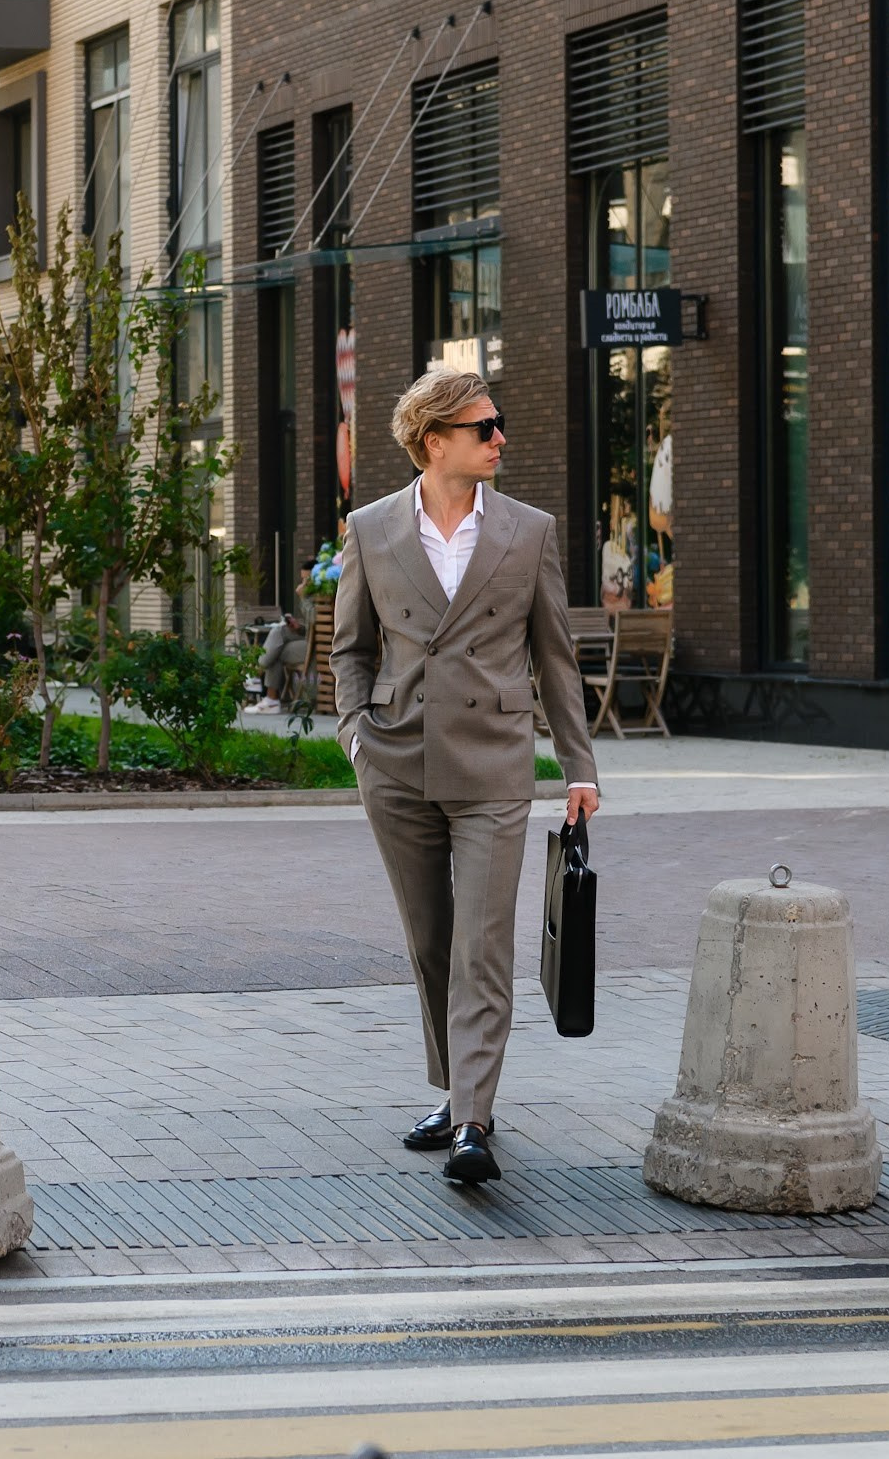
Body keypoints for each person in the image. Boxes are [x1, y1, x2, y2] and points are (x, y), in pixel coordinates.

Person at [329, 369, 599, 1187]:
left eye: (498, 422)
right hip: (397, 759)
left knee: (483, 943)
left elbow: (556, 657)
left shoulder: (528, 530)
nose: (499, 438)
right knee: (431, 939)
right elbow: (351, 649)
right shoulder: (370, 528)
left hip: (493, 761)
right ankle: (456, 1094)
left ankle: (473, 1121)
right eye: (485, 427)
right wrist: (355, 736)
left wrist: (579, 767)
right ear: (434, 440)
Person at [247, 557, 318, 714]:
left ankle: (259, 679)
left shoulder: (323, 596)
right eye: (302, 579)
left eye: (307, 580)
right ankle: (265, 692)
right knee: (279, 631)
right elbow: (313, 626)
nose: (303, 584)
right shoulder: (312, 595)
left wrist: (303, 598)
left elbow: (316, 619)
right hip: (309, 640)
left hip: (320, 647)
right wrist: (299, 628)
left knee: (276, 650)